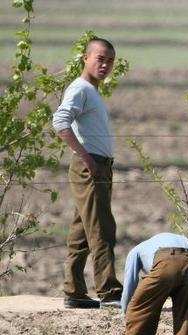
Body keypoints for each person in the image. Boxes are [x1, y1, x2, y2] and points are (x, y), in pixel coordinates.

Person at [52, 38, 122, 309]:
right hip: (90, 166)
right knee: (102, 228)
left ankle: (74, 292)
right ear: (86, 58)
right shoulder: (81, 89)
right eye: (100, 59)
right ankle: (109, 291)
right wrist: (85, 158)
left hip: (97, 165)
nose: (105, 65)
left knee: (82, 231)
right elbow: (60, 122)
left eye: (110, 61)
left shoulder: (91, 91)